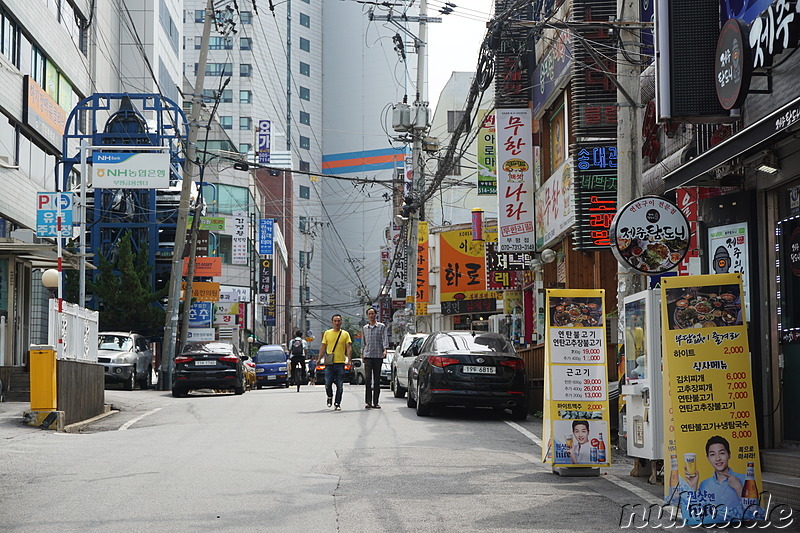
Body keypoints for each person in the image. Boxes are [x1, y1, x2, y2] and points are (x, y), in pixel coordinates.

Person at [686, 435, 745, 517]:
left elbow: (753, 511)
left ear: (729, 455)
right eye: (712, 454)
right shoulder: (704, 485)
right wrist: (693, 487)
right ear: (708, 458)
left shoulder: (745, 479)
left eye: (722, 453)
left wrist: (739, 488)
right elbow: (694, 514)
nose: (718, 458)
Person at [320, 314, 352, 411]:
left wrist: (349, 360)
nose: (337, 323)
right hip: (329, 363)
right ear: (332, 322)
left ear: (341, 322)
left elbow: (349, 347)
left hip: (340, 363)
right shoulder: (327, 333)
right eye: (335, 321)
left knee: (340, 385)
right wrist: (318, 359)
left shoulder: (345, 334)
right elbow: (323, 347)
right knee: (328, 383)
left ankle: (337, 403)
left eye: (339, 321)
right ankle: (329, 396)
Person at [362, 307, 388, 409]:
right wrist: (362, 354)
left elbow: (384, 339)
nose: (371, 315)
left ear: (376, 315)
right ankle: (368, 402)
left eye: (373, 313)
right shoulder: (365, 328)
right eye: (369, 314)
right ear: (367, 315)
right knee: (368, 379)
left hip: (378, 355)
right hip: (368, 355)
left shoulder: (381, 326)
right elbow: (363, 343)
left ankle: (376, 402)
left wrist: (385, 350)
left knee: (377, 379)